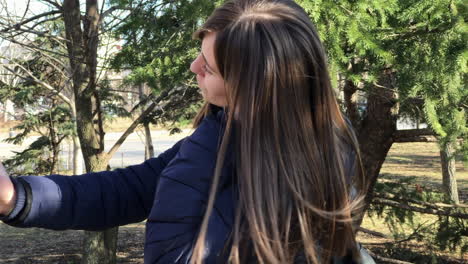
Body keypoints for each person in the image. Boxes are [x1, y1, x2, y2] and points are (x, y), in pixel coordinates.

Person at [0, 0, 374, 263]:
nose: (194, 67)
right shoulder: (236, 134)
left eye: (208, 67)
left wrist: (209, 139)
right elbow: (129, 190)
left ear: (251, 88)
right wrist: (17, 197)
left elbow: (173, 255)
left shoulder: (254, 160)